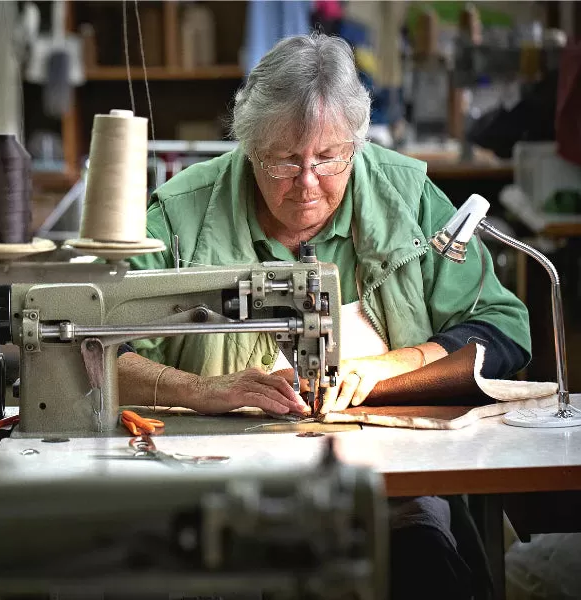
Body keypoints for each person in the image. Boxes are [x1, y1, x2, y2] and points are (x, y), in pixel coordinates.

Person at [119, 33, 530, 599]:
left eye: (328, 158)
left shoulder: (404, 198)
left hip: (392, 487)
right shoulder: (182, 216)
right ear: (248, 146)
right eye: (284, 160)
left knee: (422, 566)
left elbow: (503, 327)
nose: (307, 181)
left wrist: (400, 364)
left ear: (356, 145)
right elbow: (94, 352)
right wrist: (200, 389)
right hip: (220, 488)